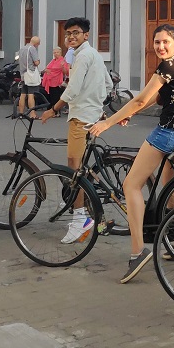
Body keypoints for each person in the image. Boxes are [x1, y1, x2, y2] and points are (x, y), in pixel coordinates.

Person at [88, 23, 174, 283]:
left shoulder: (167, 66)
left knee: (131, 185)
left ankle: (138, 251)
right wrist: (129, 113)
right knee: (170, 185)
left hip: (170, 134)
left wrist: (109, 122)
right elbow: (151, 98)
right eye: (157, 42)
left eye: (165, 42)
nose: (160, 46)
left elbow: (140, 99)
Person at [40, 18, 111, 244]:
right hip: (90, 114)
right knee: (81, 165)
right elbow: (108, 84)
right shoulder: (94, 55)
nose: (71, 37)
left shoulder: (82, 56)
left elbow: (73, 89)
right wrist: (97, 106)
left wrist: (53, 109)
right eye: (68, 33)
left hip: (81, 117)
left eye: (76, 33)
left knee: (74, 168)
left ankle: (80, 218)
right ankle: (81, 198)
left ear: (86, 35)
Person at [18, 35, 42, 116]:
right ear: (36, 44)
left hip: (23, 74)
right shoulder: (32, 49)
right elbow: (36, 62)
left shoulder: (22, 49)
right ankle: (32, 114)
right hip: (30, 74)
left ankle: (21, 113)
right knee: (31, 94)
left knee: (23, 94)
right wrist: (38, 61)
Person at [41, 45, 70, 110]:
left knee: (56, 97)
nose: (56, 54)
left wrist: (62, 67)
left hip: (57, 82)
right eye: (54, 52)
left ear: (60, 53)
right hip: (50, 81)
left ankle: (56, 111)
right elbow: (48, 68)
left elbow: (66, 72)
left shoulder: (62, 61)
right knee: (51, 97)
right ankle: (52, 110)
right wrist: (46, 70)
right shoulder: (53, 61)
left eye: (57, 52)